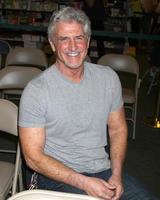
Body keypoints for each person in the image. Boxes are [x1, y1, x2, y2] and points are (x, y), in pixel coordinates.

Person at [19, 7, 159, 200]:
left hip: (101, 169)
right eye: (64, 39)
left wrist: (116, 175)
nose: (73, 46)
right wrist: (83, 182)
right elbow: (33, 158)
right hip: (54, 176)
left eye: (78, 37)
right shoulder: (36, 91)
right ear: (52, 44)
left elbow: (118, 129)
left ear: (88, 41)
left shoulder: (108, 78)